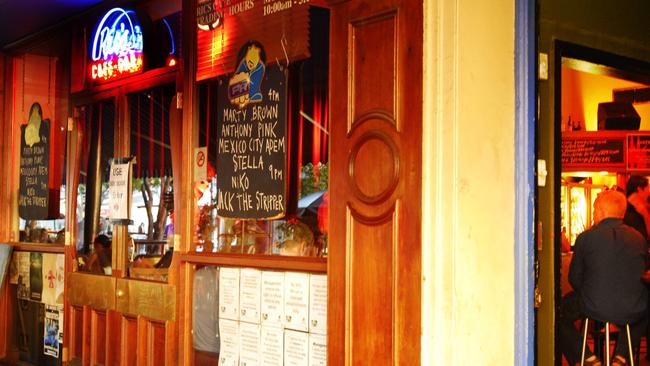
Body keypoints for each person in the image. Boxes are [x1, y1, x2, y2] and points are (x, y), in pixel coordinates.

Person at [559, 190, 647, 366]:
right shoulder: (638, 238)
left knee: (557, 313)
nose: (592, 213)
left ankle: (587, 358)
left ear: (600, 211)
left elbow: (574, 279)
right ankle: (621, 357)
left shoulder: (585, 238)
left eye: (593, 209)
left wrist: (593, 291)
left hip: (593, 305)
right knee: (645, 308)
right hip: (631, 306)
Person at [624, 175, 650, 242]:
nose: (649, 192)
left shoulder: (623, 207)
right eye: (648, 188)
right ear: (639, 189)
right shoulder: (625, 211)